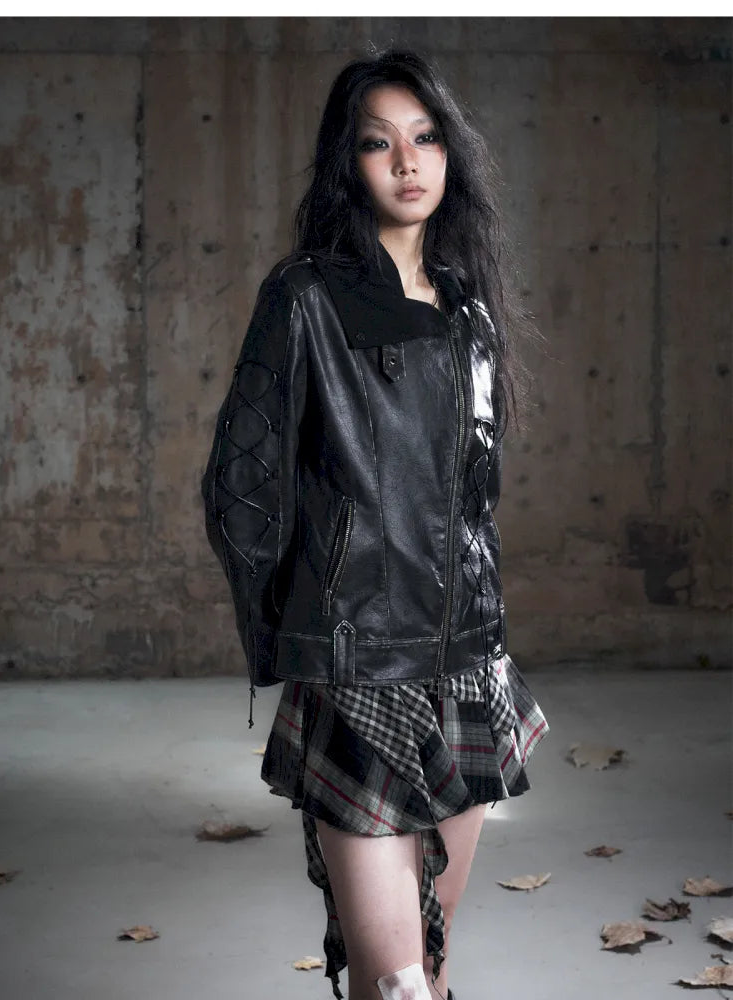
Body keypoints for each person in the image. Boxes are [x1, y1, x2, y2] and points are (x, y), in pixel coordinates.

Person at [201, 47, 549, 1000]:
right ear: (345, 164)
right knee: (394, 982)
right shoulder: (306, 297)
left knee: (428, 965)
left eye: (426, 137)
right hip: (357, 670)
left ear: (451, 153)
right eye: (377, 143)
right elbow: (241, 484)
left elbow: (473, 497)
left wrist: (484, 623)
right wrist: (299, 628)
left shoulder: (470, 309)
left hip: (468, 664)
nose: (407, 162)